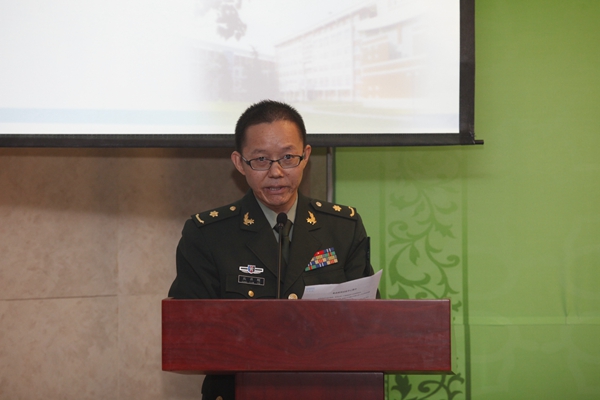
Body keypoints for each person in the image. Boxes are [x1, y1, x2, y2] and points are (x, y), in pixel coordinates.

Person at [168, 100, 374, 400]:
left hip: (328, 390)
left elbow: (369, 322)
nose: (276, 172)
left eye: (288, 158)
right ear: (240, 163)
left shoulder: (343, 227)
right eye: (261, 160)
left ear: (306, 156)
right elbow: (189, 335)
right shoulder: (207, 235)